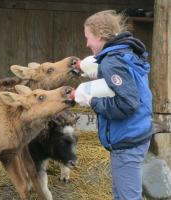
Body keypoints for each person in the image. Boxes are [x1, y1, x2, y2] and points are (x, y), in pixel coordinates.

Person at [74, 10, 154, 200]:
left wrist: (92, 101)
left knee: (128, 197)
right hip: (138, 131)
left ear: (100, 35)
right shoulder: (126, 51)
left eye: (88, 38)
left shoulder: (112, 61)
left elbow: (127, 104)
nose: (87, 44)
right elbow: (129, 85)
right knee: (121, 195)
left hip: (127, 138)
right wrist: (102, 73)